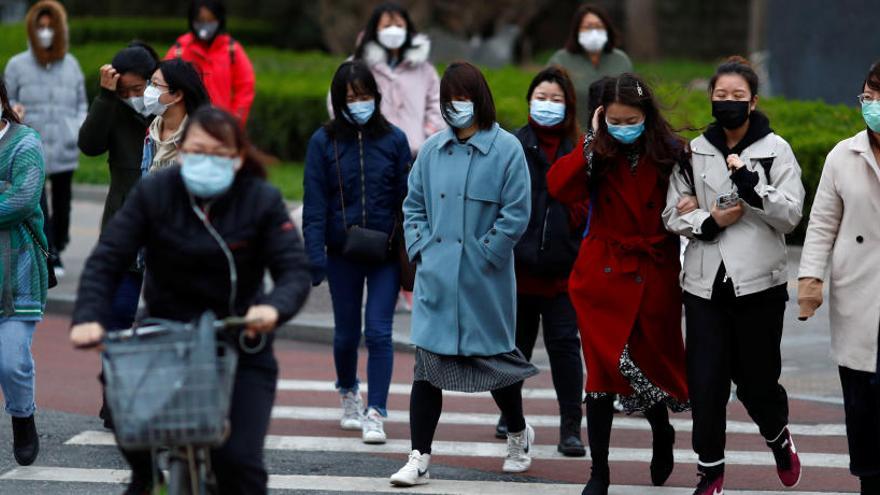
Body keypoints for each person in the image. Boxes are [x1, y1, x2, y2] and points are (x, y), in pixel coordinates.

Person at [69, 106, 311, 495]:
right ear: (181, 153)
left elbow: (294, 270)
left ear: (238, 158)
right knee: (123, 403)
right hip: (165, 334)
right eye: (198, 150)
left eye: (220, 153)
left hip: (239, 338)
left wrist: (272, 308)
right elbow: (108, 258)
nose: (207, 161)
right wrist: (89, 317)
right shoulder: (156, 192)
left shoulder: (260, 199)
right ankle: (146, 475)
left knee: (239, 464)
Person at [389, 61, 536, 487]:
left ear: (480, 100)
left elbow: (516, 213)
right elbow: (412, 205)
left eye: (464, 98)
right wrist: (422, 250)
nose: (456, 107)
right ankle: (419, 456)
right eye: (449, 99)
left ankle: (517, 432)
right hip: (437, 281)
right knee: (426, 369)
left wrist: (488, 253)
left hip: (484, 282)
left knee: (496, 368)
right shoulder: (433, 150)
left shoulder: (506, 149)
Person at [663, 56, 805, 495]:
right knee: (705, 385)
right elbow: (673, 211)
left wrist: (753, 188)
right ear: (710, 98)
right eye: (720, 96)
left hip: (760, 287)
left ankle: (778, 436)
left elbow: (791, 215)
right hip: (704, 287)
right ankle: (710, 471)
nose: (728, 103)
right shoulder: (694, 152)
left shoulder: (775, 150)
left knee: (757, 384)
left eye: (737, 97)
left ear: (754, 101)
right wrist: (709, 221)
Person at [547, 74, 689, 495]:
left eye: (631, 119)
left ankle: (662, 431)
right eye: (614, 119)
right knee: (602, 376)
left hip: (653, 273)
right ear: (601, 117)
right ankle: (599, 472)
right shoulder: (597, 151)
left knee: (649, 368)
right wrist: (591, 141)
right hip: (602, 277)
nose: (623, 126)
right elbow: (559, 187)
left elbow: (695, 193)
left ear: (647, 116)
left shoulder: (670, 153)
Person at [303, 60, 410, 444]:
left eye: (364, 95)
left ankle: (376, 410)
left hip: (385, 252)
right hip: (341, 251)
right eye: (351, 98)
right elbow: (314, 204)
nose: (358, 103)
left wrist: (410, 247)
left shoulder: (395, 140)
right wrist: (314, 256)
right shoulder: (323, 142)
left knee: (379, 332)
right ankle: (348, 391)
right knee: (346, 333)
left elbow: (408, 199)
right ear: (338, 101)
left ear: (376, 97)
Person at [798, 61, 880, 495]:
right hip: (860, 297)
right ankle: (869, 480)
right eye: (869, 96)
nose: (874, 105)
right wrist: (810, 278)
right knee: (862, 404)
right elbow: (821, 224)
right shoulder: (842, 155)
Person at [495, 66, 586, 457]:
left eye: (556, 99)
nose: (547, 105)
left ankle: (571, 427)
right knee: (514, 348)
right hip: (518, 268)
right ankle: (510, 416)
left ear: (568, 105)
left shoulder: (580, 148)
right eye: (541, 97)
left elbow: (588, 201)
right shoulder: (512, 144)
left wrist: (571, 222)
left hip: (563, 272)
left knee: (565, 348)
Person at [3, 0, 87, 276]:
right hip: (30, 145)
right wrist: (14, 111)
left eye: (51, 27)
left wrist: (74, 129)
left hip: (62, 145)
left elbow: (81, 103)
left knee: (63, 204)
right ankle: (48, 252)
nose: (45, 32)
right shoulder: (17, 64)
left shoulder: (71, 65)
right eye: (40, 27)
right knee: (39, 202)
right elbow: (7, 97)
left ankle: (60, 246)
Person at [79, 42, 159, 329]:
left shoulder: (171, 111)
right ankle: (113, 373)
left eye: (138, 90)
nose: (132, 97)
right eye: (124, 91)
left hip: (166, 230)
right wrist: (106, 97)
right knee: (117, 314)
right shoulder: (113, 108)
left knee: (163, 319)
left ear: (153, 81)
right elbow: (89, 146)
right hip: (125, 225)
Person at [0, 77, 48, 468]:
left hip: (17, 271)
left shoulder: (25, 143)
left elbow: (21, 199)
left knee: (12, 361)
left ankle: (23, 417)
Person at [350, 2, 445, 157]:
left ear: (408, 29)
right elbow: (338, 101)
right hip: (370, 152)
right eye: (387, 26)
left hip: (414, 154)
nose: (393, 31)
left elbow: (437, 103)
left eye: (399, 26)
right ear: (374, 29)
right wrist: (359, 134)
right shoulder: (357, 66)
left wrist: (427, 135)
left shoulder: (424, 69)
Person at [166, 0, 256, 123]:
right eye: (200, 20)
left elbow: (245, 88)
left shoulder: (232, 50)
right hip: (185, 128)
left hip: (220, 128)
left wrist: (234, 122)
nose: (205, 25)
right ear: (192, 20)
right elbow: (164, 84)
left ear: (219, 20)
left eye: (210, 20)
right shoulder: (179, 50)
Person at [548, 4, 633, 128]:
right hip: (572, 136)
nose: (594, 32)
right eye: (587, 27)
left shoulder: (621, 60)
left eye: (599, 26)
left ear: (607, 29)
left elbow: (634, 97)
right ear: (577, 31)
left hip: (614, 135)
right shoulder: (560, 60)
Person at [141, 59, 210, 174]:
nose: (148, 90)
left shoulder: (199, 139)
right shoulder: (152, 133)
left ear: (177, 95)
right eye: (150, 83)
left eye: (155, 84)